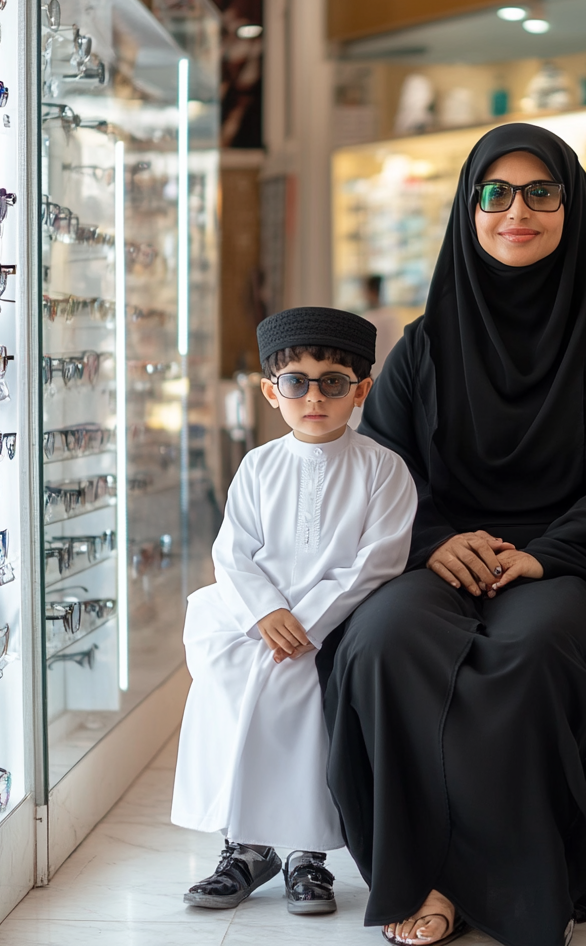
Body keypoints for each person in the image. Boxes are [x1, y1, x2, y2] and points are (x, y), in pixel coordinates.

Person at [321, 124, 586, 946]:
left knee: (524, 653)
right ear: (470, 208)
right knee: (380, 640)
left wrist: (542, 552)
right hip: (441, 553)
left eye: (540, 192)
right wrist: (436, 541)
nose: (517, 211)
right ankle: (422, 880)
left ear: (571, 204)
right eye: (496, 193)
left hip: (570, 563)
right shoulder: (425, 344)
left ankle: (515, 891)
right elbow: (381, 468)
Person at [171, 306, 417, 917]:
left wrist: (302, 624)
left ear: (360, 389)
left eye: (333, 382)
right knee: (225, 678)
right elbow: (232, 551)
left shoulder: (383, 470)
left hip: (328, 624)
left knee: (299, 689)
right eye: (296, 382)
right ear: (269, 391)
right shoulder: (258, 466)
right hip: (253, 618)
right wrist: (263, 614)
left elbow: (377, 561)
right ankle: (245, 847)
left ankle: (307, 852)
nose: (314, 397)